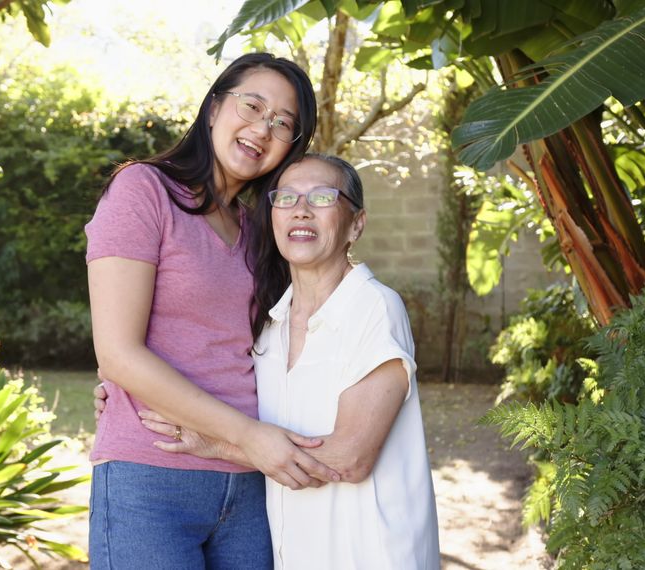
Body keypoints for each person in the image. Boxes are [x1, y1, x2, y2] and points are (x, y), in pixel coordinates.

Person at [103, 154, 441, 569]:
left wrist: (222, 445)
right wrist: (123, 387)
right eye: (285, 198)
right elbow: (220, 370)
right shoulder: (270, 325)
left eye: (322, 197)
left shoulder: (373, 307)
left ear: (356, 224)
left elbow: (351, 458)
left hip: (371, 552)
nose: (301, 208)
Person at [85, 53, 338, 570]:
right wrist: (249, 436)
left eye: (282, 123)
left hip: (248, 486)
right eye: (252, 105)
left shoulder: (258, 232)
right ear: (214, 107)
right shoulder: (143, 190)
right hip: (153, 475)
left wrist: (248, 447)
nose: (262, 128)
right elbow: (117, 352)